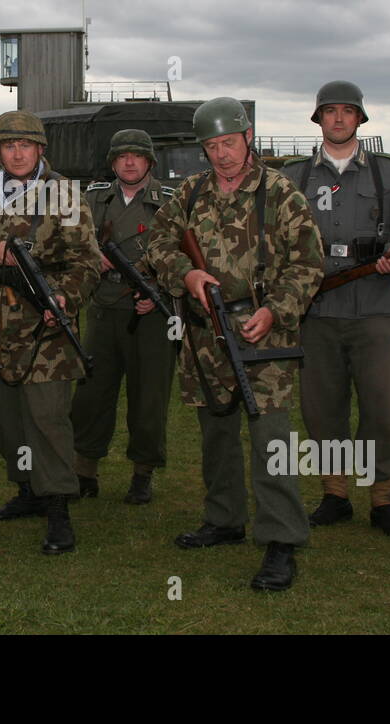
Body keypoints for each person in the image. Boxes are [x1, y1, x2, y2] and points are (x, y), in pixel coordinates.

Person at [147, 97, 323, 591]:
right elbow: (157, 245)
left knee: (271, 437)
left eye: (229, 142)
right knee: (216, 430)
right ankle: (224, 518)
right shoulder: (189, 192)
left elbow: (309, 264)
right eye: (211, 145)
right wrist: (188, 273)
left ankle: (281, 539)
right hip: (206, 330)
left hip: (263, 327)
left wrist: (276, 310)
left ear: (248, 137)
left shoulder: (281, 193)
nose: (221, 154)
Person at [281, 81, 390, 539]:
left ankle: (383, 499)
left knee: (384, 410)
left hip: (375, 308)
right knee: (322, 409)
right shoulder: (295, 175)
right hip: (318, 309)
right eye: (330, 112)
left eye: (348, 111)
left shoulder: (388, 173)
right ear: (318, 119)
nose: (339, 119)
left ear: (360, 119)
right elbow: (276, 236)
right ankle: (335, 495)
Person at [0, 111, 101, 554]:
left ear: (40, 149)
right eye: (8, 145)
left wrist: (64, 298)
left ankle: (57, 506)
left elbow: (88, 262)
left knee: (47, 419)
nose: (17, 153)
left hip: (45, 328)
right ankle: (27, 490)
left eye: (25, 145)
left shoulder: (65, 196)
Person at [69, 129, 176, 504]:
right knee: (92, 391)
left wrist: (159, 292)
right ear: (113, 162)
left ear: (149, 161)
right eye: (122, 156)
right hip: (103, 305)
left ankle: (143, 473)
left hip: (150, 314)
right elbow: (72, 243)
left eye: (137, 156)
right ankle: (84, 469)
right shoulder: (94, 198)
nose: (129, 162)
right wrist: (90, 257)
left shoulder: (170, 202)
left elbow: (188, 253)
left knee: (149, 395)